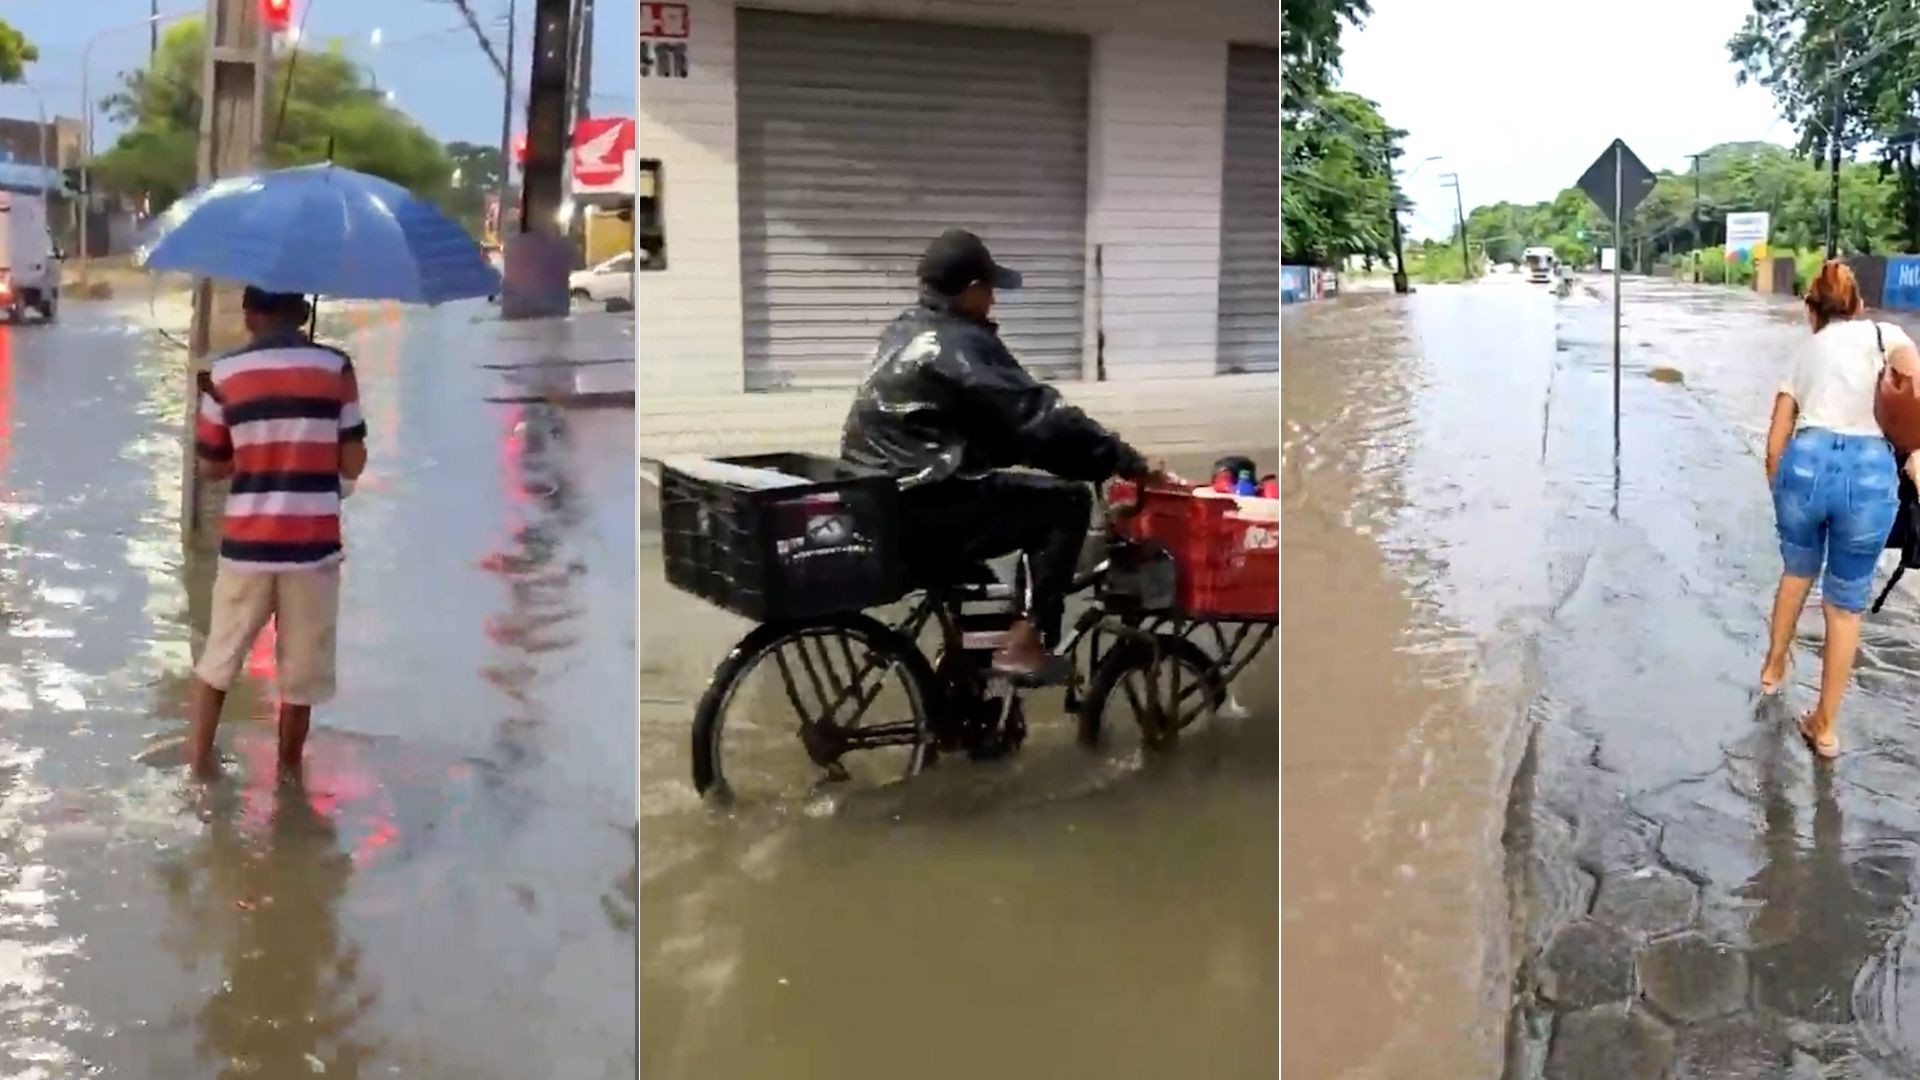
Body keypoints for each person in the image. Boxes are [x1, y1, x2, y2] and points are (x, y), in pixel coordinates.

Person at [842, 228, 1156, 683]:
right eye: (990, 289)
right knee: (1065, 504)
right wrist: (1124, 460)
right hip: (925, 500)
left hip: (881, 496)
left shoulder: (904, 331)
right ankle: (1026, 642)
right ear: (972, 291)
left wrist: (1064, 455)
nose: (993, 301)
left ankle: (964, 682)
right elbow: (1039, 418)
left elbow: (998, 429)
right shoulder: (961, 342)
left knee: (984, 579)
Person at [187, 287, 368, 778]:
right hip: (312, 549)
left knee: (218, 660)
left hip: (247, 546)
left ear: (249, 317)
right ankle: (288, 778)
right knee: (301, 677)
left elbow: (212, 467)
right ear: (304, 312)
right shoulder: (336, 369)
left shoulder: (224, 375)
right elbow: (353, 461)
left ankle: (198, 767)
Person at [1761, 261, 1920, 759]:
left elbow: (1775, 441)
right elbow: (1913, 384)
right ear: (1858, 304)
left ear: (1812, 308)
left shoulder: (1804, 353)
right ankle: (1825, 728)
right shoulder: (1883, 334)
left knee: (1796, 570)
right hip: (1870, 473)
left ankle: (1772, 668)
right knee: (1845, 605)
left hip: (1804, 465)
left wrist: (1780, 487)